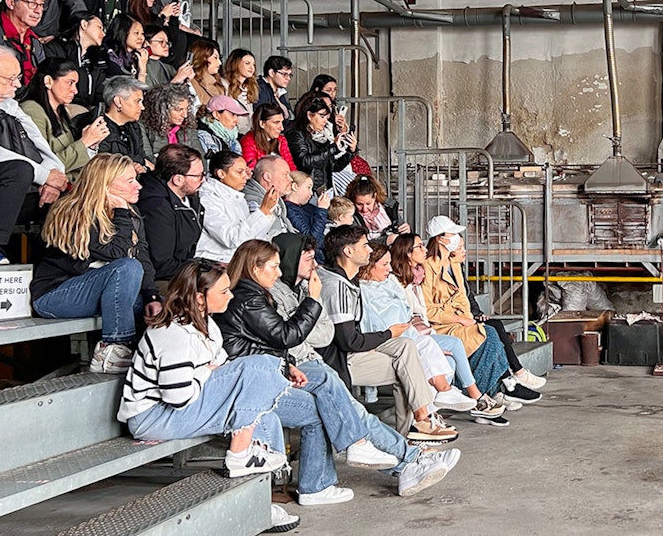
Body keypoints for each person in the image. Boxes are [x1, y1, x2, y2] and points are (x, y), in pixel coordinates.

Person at [267, 232, 460, 496]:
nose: (315, 265)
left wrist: (306, 319)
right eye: (308, 258)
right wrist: (311, 307)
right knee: (353, 413)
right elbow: (319, 337)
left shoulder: (301, 287)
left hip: (310, 363)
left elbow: (318, 333)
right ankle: (409, 457)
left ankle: (414, 437)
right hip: (318, 365)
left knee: (407, 353)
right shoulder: (310, 288)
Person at [218, 239, 407, 506]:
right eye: (273, 266)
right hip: (249, 388)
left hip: (265, 376)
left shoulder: (258, 294)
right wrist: (313, 300)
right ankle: (356, 444)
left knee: (319, 405)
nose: (279, 272)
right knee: (325, 377)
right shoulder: (248, 298)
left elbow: (266, 343)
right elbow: (287, 335)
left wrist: (288, 365)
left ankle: (316, 486)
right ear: (255, 267)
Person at [117, 260, 292, 480]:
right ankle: (239, 455)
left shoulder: (208, 325)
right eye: (225, 291)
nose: (231, 296)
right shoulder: (173, 333)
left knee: (265, 417)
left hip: (180, 405)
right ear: (200, 298)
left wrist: (209, 373)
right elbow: (178, 397)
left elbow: (222, 367)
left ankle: (262, 505)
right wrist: (205, 371)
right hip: (151, 417)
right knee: (255, 367)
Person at [316, 224, 458, 444]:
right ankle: (414, 432)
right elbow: (348, 341)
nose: (370, 250)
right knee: (408, 367)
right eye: (364, 245)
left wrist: (388, 335)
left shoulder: (348, 280)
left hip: (356, 346)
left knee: (407, 347)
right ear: (348, 251)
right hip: (341, 359)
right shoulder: (338, 287)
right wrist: (387, 334)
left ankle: (419, 425)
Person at [31, 153, 159, 373]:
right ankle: (113, 348)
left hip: (98, 293)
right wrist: (120, 211)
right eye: (129, 181)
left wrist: (152, 296)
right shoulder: (72, 211)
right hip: (55, 295)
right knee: (127, 268)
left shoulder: (130, 213)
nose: (138, 186)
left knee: (169, 306)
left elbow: (142, 256)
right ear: (105, 185)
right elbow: (119, 255)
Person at [363, 240, 506, 422]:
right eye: (384, 264)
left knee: (481, 337)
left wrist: (469, 316)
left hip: (418, 331)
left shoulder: (396, 279)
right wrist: (458, 319)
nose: (389, 268)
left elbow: (462, 298)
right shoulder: (384, 284)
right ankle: (470, 398)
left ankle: (439, 408)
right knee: (483, 336)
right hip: (415, 332)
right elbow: (420, 313)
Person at [423, 215, 544, 405]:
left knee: (491, 335)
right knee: (491, 336)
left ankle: (495, 391)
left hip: (462, 321)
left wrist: (470, 317)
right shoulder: (428, 266)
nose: (456, 238)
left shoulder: (453, 265)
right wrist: (462, 320)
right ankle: (495, 390)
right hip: (443, 326)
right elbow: (428, 310)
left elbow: (463, 299)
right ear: (440, 238)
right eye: (452, 234)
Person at [0, 46, 68, 264]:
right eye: (11, 79)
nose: (18, 85)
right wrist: (42, 175)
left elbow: (39, 143)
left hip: (21, 189)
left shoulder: (10, 105)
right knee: (20, 169)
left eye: (18, 77)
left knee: (71, 196)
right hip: (8, 182)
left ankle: (63, 268)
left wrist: (54, 177)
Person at [19, 57, 108, 179]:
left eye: (76, 84)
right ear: (48, 81)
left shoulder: (61, 112)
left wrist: (92, 144)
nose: (75, 91)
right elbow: (43, 166)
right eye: (70, 83)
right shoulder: (32, 110)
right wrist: (85, 141)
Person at [137, 144, 205, 283]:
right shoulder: (157, 207)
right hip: (164, 280)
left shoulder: (190, 195)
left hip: (184, 270)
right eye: (199, 176)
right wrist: (201, 270)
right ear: (178, 179)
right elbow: (162, 264)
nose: (203, 180)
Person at [195, 150, 278, 263]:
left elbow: (251, 236)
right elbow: (232, 239)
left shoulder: (238, 197)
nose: (246, 177)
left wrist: (267, 212)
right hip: (215, 261)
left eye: (246, 171)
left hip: (237, 259)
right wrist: (263, 211)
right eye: (240, 172)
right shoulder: (208, 198)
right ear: (221, 173)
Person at [287, 96, 354, 193]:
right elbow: (305, 161)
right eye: (322, 116)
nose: (325, 121)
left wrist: (350, 151)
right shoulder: (296, 134)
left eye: (327, 117)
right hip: (306, 188)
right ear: (310, 115)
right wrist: (333, 148)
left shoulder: (323, 136)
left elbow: (333, 166)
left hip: (325, 187)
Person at [44, 11, 107, 109]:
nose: (103, 34)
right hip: (61, 106)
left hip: (86, 110)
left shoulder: (96, 59)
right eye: (99, 27)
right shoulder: (56, 48)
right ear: (84, 25)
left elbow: (100, 90)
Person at [94, 76, 152, 171]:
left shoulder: (134, 126)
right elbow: (104, 166)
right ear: (118, 102)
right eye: (137, 101)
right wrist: (141, 162)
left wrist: (144, 168)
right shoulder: (98, 127)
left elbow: (143, 157)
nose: (142, 107)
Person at [140, 82, 202, 164]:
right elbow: (148, 157)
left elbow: (200, 157)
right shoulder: (144, 126)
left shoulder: (188, 125)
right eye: (179, 109)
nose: (185, 115)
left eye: (186, 108)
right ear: (162, 109)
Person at [0, 0, 46, 85]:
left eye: (41, 5)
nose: (38, 10)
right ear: (11, 3)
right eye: (32, 3)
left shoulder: (34, 42)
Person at [243, 154, 297, 239]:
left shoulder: (275, 196)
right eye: (285, 175)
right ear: (267, 177)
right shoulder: (252, 201)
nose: (290, 179)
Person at [346, 174, 403, 242]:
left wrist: (406, 230)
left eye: (368, 203)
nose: (364, 209)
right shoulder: (350, 216)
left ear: (375, 196)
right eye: (359, 204)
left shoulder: (389, 207)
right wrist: (385, 241)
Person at [239, 102, 294, 170]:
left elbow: (291, 166)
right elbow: (251, 172)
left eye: (281, 122)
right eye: (276, 122)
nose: (281, 128)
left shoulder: (281, 140)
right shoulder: (248, 142)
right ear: (262, 123)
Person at [284, 171, 330, 251]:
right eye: (308, 188)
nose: (311, 193)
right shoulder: (290, 210)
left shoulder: (307, 207)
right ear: (295, 186)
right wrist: (322, 209)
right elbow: (312, 240)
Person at [197, 94, 245, 160]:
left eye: (237, 116)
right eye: (232, 114)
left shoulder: (232, 137)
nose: (236, 120)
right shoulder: (203, 136)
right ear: (216, 114)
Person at [102, 13, 147, 81]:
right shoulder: (109, 57)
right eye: (136, 33)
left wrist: (142, 70)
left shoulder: (137, 57)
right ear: (123, 32)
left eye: (142, 33)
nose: (141, 38)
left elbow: (141, 90)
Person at [186, 38, 225, 111]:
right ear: (203, 58)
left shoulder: (218, 84)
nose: (220, 62)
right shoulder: (190, 82)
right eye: (215, 58)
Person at [223, 49, 258, 128]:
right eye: (247, 63)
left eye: (254, 64)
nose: (251, 67)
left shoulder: (249, 87)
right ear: (235, 64)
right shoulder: (224, 85)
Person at [255, 55, 293, 127]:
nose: (288, 78)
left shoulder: (280, 90)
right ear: (272, 73)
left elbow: (290, 116)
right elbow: (264, 117)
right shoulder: (260, 89)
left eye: (289, 75)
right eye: (284, 74)